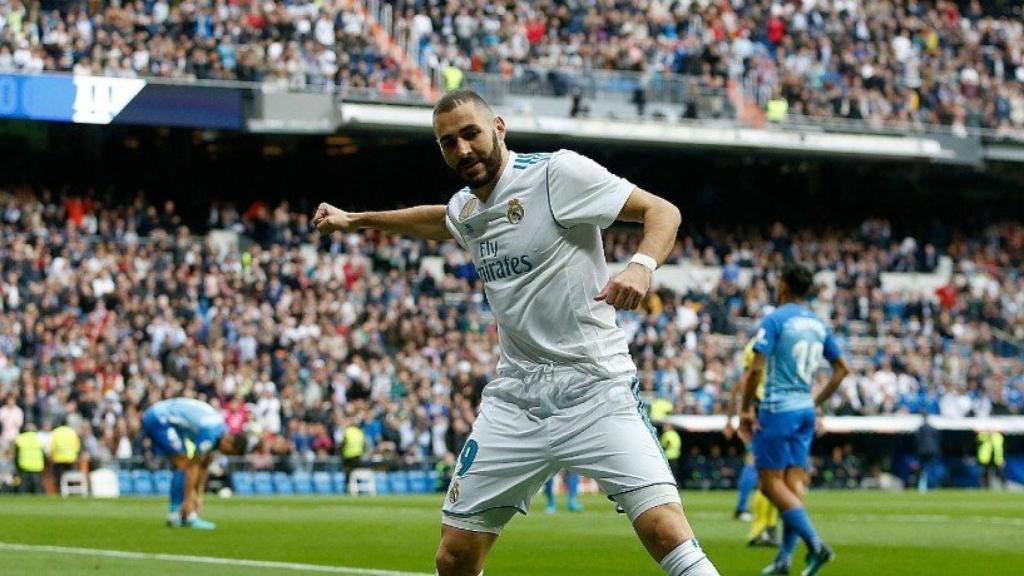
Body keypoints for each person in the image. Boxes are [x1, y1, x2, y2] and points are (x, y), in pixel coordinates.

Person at [314, 89, 719, 576]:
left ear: (499, 127)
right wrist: (356, 220)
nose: (463, 149)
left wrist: (641, 266)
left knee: (665, 530)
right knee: (455, 556)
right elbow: (438, 220)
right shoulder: (467, 209)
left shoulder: (555, 174)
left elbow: (662, 211)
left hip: (595, 388)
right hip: (515, 401)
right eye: (448, 143)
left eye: (471, 134)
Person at [740, 264, 849, 576]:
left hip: (777, 410)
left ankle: (816, 545)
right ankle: (785, 559)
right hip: (805, 412)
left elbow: (756, 368)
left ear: (784, 285)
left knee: (769, 483)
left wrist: (746, 409)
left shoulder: (776, 319)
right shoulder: (818, 323)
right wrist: (815, 402)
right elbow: (841, 369)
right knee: (792, 485)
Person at [142, 398, 246, 529]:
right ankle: (180, 514)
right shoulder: (211, 432)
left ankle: (179, 514)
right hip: (159, 418)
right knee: (183, 464)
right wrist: (188, 500)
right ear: (229, 443)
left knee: (184, 464)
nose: (223, 453)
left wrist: (199, 495)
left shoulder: (219, 430)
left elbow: (204, 464)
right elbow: (193, 466)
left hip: (168, 420)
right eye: (227, 452)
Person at [725, 336, 780, 547]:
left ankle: (764, 526)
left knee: (764, 468)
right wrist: (744, 412)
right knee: (768, 470)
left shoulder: (757, 344)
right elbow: (747, 379)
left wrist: (734, 417)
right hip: (769, 411)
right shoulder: (774, 343)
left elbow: (741, 383)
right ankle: (761, 528)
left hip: (763, 410)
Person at [14, 422, 45, 494]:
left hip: (24, 464)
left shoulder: (20, 438)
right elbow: (44, 452)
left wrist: (17, 465)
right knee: (37, 486)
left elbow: (16, 452)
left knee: (23, 486)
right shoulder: (39, 437)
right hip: (37, 465)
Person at [915, 411, 940, 492]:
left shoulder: (921, 428)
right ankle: (933, 485)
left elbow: (917, 440)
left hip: (923, 451)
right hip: (932, 450)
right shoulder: (932, 428)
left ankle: (924, 486)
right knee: (932, 468)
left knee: (923, 468)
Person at [50, 419, 81, 485]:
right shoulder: (72, 431)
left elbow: (53, 446)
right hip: (71, 457)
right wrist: (76, 455)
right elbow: (77, 445)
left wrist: (52, 456)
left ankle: (59, 488)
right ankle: (70, 487)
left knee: (59, 476)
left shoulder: (56, 431)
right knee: (70, 476)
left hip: (59, 458)